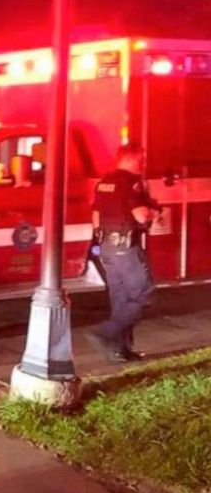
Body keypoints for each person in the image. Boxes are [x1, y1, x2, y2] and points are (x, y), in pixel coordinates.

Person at [86, 142, 160, 362]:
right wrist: (153, 213)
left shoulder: (104, 183)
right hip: (127, 249)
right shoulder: (132, 183)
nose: (143, 164)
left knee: (121, 299)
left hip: (107, 248)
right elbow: (141, 216)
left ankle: (120, 350)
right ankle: (104, 333)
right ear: (129, 159)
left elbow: (96, 215)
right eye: (141, 160)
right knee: (144, 293)